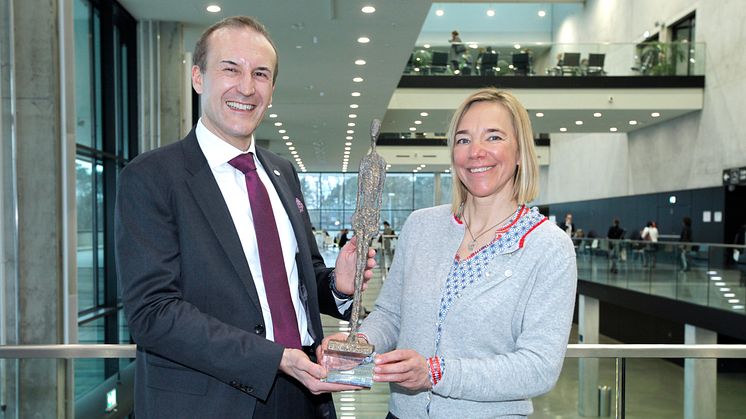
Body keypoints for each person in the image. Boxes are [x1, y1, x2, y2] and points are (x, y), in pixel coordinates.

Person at [115, 16, 376, 418]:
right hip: (210, 400)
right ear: (198, 77)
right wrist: (272, 358)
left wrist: (339, 287)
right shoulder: (151, 177)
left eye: (260, 74)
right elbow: (153, 313)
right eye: (230, 69)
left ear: (271, 91)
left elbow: (299, 276)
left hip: (305, 392)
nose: (247, 87)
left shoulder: (281, 171)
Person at [324, 88, 577, 418]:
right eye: (463, 140)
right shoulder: (421, 226)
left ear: (519, 152)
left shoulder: (548, 247)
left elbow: (538, 367)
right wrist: (354, 346)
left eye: (494, 137)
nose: (476, 152)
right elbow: (390, 315)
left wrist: (435, 373)